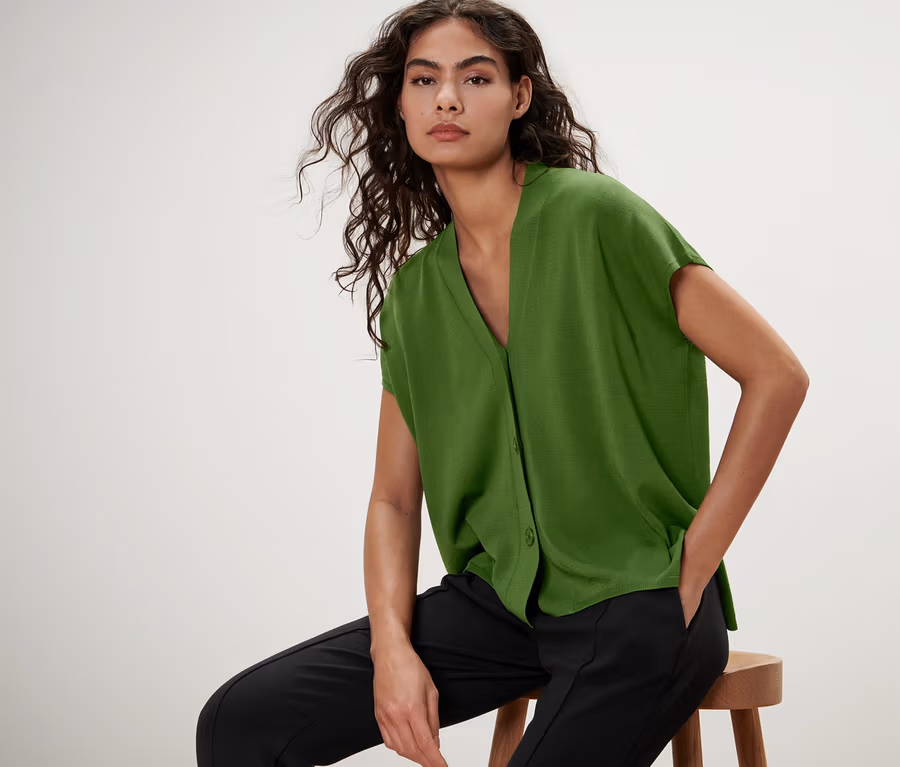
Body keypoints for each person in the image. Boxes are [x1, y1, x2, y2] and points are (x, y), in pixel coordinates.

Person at [196, 2, 809, 766]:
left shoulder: (597, 217)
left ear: (519, 96)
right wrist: (392, 651)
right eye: (425, 80)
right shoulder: (416, 296)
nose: (447, 99)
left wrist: (690, 572)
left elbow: (776, 375)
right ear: (401, 104)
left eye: (476, 78)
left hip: (637, 600)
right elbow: (394, 498)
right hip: (500, 607)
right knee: (240, 722)